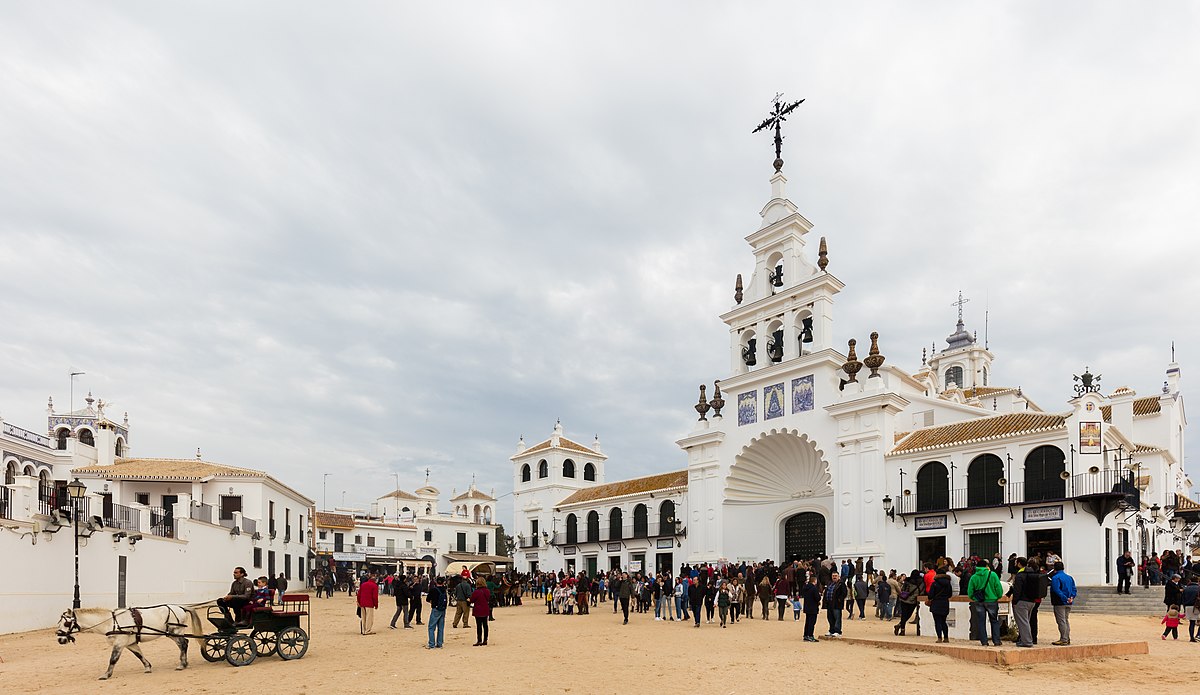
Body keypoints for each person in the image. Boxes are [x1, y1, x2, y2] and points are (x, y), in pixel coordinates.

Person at [967, 560, 1003, 647]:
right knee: (994, 621)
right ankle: (996, 641)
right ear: (987, 566)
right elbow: (999, 588)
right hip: (992, 600)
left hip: (979, 601)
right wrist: (997, 596)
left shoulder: (974, 577)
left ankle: (984, 641)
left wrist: (974, 598)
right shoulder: (993, 574)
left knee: (981, 621)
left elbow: (970, 591)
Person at [1048, 561, 1076, 646]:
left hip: (1059, 602)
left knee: (1061, 621)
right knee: (1066, 620)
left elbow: (1056, 590)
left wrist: (1064, 598)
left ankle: (1063, 639)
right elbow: (1074, 589)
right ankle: (1067, 638)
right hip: (1069, 601)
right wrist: (1071, 597)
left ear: (1054, 569)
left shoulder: (1055, 578)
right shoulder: (1069, 577)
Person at [927, 566, 953, 643]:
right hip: (945, 603)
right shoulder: (948, 584)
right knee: (943, 621)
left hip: (936, 603)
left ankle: (939, 638)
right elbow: (950, 594)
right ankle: (946, 637)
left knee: (937, 621)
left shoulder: (935, 584)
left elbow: (930, 595)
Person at [425, 575, 447, 649]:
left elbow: (427, 599)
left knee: (431, 627)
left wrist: (432, 602)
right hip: (443, 609)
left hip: (435, 609)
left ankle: (431, 644)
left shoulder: (433, 590)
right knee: (441, 627)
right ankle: (439, 643)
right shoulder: (444, 590)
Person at [822, 573, 847, 637]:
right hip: (829, 603)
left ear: (839, 577)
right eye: (833, 576)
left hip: (837, 604)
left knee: (837, 618)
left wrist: (839, 599)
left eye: (836, 576)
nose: (834, 577)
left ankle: (837, 631)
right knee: (830, 618)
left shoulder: (841, 584)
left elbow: (844, 593)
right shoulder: (829, 583)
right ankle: (831, 630)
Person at [470, 578, 491, 646]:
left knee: (479, 626)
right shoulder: (487, 591)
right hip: (485, 609)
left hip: (478, 609)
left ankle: (479, 640)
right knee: (485, 625)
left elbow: (472, 600)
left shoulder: (476, 592)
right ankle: (485, 640)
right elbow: (488, 598)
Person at [802, 575, 821, 642]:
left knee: (807, 622)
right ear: (814, 581)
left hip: (807, 606)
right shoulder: (814, 588)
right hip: (813, 607)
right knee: (812, 622)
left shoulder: (805, 588)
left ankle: (806, 635)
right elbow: (817, 598)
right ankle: (810, 635)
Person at [1182, 575, 1200, 642]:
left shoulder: (1186, 588)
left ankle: (1191, 637)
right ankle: (1198, 635)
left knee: (1191, 623)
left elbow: (1182, 599)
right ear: (1197, 581)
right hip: (1197, 606)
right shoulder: (1198, 588)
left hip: (1188, 606)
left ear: (1190, 581)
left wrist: (1184, 609)